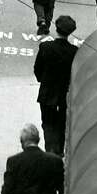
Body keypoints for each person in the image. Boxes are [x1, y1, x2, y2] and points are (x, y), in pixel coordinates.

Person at [34, 15, 78, 156]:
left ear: (56, 28)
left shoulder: (45, 47)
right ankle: (59, 152)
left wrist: (43, 80)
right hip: (64, 96)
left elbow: (37, 70)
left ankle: (50, 152)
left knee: (47, 125)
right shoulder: (74, 52)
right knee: (61, 125)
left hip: (47, 94)